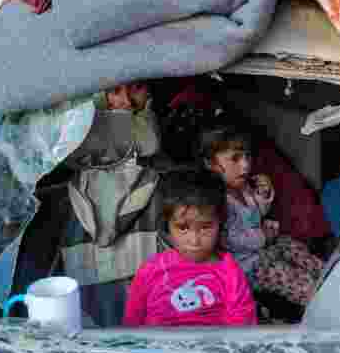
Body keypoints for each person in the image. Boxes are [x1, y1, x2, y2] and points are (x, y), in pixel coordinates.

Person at [201, 125, 323, 306]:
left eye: (247, 157)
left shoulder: (242, 188)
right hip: (248, 265)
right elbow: (229, 240)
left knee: (294, 248)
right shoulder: (218, 201)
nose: (245, 165)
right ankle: (319, 299)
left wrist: (262, 196)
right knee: (292, 278)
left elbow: (255, 215)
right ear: (211, 164)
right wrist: (262, 236)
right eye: (235, 159)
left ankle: (328, 274)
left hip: (262, 248)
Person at [122, 169, 257, 327]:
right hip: (158, 349)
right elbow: (131, 324)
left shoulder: (229, 272)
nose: (194, 240)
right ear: (167, 226)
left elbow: (241, 328)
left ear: (220, 222)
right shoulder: (150, 270)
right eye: (183, 228)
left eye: (205, 227)